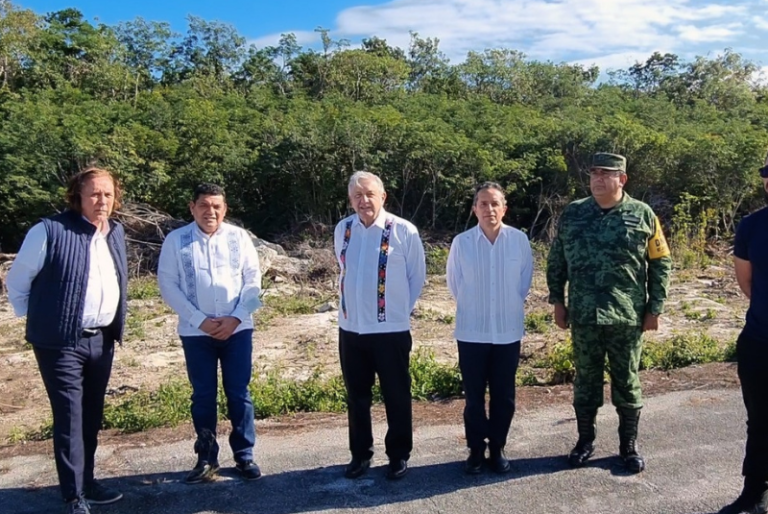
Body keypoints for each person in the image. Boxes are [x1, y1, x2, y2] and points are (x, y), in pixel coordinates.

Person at [6, 168, 128, 514]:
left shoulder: (115, 232)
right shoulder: (49, 230)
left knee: (91, 416)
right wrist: (44, 320)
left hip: (101, 339)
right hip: (60, 343)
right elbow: (17, 282)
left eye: (107, 194)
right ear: (77, 196)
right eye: (93, 194)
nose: (101, 201)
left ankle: (87, 482)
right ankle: (73, 496)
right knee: (70, 417)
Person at [546, 152, 672, 473]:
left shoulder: (643, 214)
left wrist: (654, 307)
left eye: (607, 173)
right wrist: (558, 301)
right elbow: (557, 259)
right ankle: (585, 441)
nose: (598, 179)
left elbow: (660, 263)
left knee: (627, 381)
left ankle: (628, 445)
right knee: (586, 380)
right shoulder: (573, 214)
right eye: (594, 173)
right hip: (584, 315)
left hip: (627, 316)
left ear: (622, 179)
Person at [158, 183, 263, 484]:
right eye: (204, 205)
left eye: (217, 206)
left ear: (225, 209)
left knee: (239, 393)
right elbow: (168, 285)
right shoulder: (176, 241)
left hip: (238, 330)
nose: (210, 211)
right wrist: (199, 320)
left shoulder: (239, 238)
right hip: (195, 333)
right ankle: (206, 457)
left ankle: (244, 456)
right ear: (192, 207)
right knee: (203, 396)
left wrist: (236, 318)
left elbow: (255, 284)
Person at [334, 170, 426, 480]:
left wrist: (395, 313)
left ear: (383, 196)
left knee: (396, 394)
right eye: (357, 196)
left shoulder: (403, 231)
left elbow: (417, 278)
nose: (363, 201)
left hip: (390, 332)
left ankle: (398, 454)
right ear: (350, 200)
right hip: (351, 330)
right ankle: (360, 455)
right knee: (357, 396)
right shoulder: (343, 230)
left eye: (369, 194)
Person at [446, 182, 533, 474]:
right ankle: (475, 450)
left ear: (504, 208)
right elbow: (455, 285)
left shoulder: (519, 241)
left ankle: (497, 448)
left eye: (495, 203)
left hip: (508, 332)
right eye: (482, 203)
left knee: (504, 395)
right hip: (472, 332)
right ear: (474, 209)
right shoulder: (462, 243)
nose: (489, 209)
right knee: (473, 397)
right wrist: (478, 309)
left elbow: (523, 285)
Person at [721, 157, 768, 514]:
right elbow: (746, 284)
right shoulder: (751, 226)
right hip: (759, 342)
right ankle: (754, 493)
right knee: (760, 421)